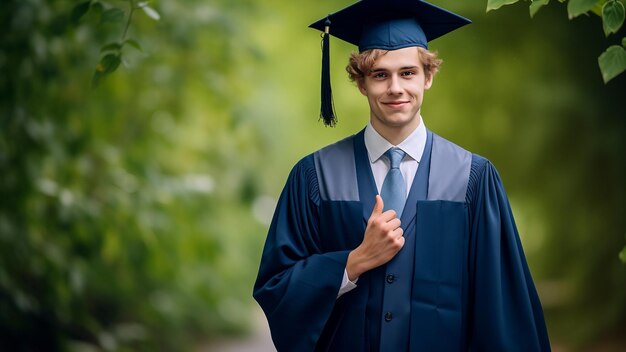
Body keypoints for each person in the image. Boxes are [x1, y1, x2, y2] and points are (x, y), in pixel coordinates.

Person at [253, 0, 551, 351]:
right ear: (361, 83)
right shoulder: (316, 177)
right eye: (380, 74)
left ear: (428, 77)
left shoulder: (472, 179)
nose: (395, 87)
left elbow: (501, 309)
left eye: (407, 73)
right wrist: (351, 263)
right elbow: (277, 288)